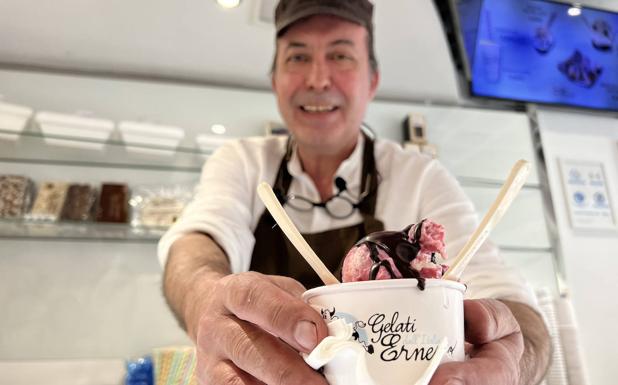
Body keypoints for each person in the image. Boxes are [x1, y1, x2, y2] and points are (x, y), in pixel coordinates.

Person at [158, 0, 551, 384]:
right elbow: (198, 240)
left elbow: (509, 300)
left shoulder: (419, 176)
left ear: (373, 81)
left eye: (341, 56)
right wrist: (204, 298)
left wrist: (514, 358)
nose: (317, 79)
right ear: (274, 79)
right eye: (297, 57)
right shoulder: (243, 162)